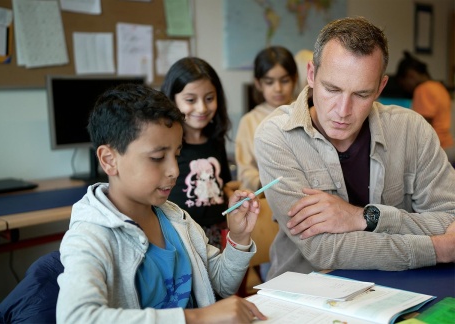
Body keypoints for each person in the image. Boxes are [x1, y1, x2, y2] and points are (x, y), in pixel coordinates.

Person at [254, 16, 455, 280]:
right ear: (312, 76)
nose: (343, 111)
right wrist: (435, 249)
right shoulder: (276, 136)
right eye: (332, 89)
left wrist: (364, 217)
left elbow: (449, 219)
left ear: (380, 87)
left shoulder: (412, 130)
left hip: (404, 286)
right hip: (307, 293)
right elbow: (323, 249)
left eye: (361, 94)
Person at [56, 83, 267, 323]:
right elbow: (76, 318)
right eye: (157, 158)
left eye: (176, 155)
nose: (174, 170)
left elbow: (220, 283)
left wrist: (238, 239)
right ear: (109, 160)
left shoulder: (175, 218)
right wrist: (196, 317)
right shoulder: (90, 236)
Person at [161, 57, 233, 249]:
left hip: (217, 236)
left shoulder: (216, 140)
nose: (201, 108)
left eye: (209, 98)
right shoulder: (164, 145)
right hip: (179, 236)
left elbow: (223, 187)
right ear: (171, 99)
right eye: (191, 100)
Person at [236, 46, 298, 192]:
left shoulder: (306, 112)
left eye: (284, 80)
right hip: (266, 198)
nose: (278, 88)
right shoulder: (249, 121)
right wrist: (265, 184)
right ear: (258, 83)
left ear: (295, 79)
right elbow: (245, 171)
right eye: (269, 82)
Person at [395, 51, 455, 163]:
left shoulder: (423, 89)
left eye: (403, 84)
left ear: (411, 75)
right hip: (448, 146)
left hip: (437, 150)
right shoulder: (439, 87)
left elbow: (423, 127)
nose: (405, 89)